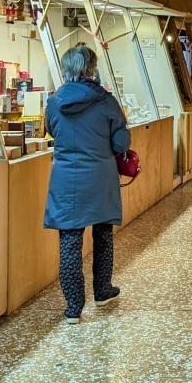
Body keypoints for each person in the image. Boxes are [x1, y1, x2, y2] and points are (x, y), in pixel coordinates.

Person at [44, 44, 130, 322]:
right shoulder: (106, 101)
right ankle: (102, 291)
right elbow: (121, 142)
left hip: (66, 178)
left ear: (67, 68)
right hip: (100, 176)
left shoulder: (54, 101)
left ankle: (72, 308)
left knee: (69, 240)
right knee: (102, 235)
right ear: (91, 68)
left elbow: (50, 130)